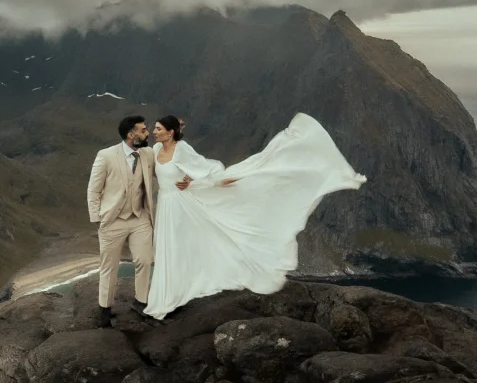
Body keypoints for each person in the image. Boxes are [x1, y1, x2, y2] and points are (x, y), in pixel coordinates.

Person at [144, 113, 367, 320]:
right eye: (154, 128)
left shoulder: (182, 149)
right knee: (168, 248)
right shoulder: (155, 150)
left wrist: (202, 181)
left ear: (170, 132)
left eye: (158, 128)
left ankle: (173, 296)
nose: (154, 131)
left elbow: (202, 168)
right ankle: (167, 296)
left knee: (181, 247)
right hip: (166, 203)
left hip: (182, 204)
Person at [86, 115, 188, 327]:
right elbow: (93, 190)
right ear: (131, 135)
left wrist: (186, 177)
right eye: (143, 130)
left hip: (140, 217)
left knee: (144, 260)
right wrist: (98, 219)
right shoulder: (105, 156)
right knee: (109, 267)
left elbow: (171, 158)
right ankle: (104, 310)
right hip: (112, 220)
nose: (148, 132)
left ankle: (140, 302)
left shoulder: (149, 153)